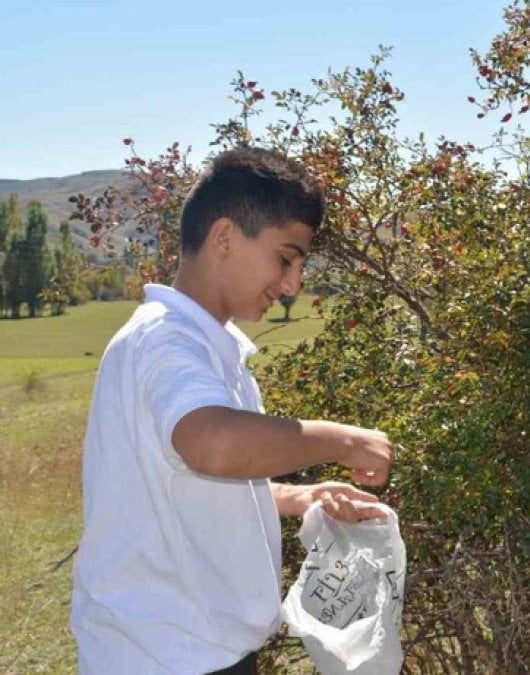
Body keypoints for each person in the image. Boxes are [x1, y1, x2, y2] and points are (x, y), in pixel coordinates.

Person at [71, 147, 395, 674]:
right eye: (285, 258)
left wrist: (298, 496)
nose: (292, 285)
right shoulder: (166, 342)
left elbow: (189, 484)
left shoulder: (204, 348)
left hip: (191, 651)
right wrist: (344, 438)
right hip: (166, 658)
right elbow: (214, 445)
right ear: (223, 237)